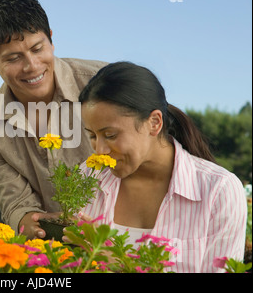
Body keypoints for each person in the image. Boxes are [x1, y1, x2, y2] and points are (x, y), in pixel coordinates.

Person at [77, 61, 247, 272]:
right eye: (92, 135)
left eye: (110, 135)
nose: (99, 150)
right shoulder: (88, 175)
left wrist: (118, 262)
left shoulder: (219, 190)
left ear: (154, 123)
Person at [0, 0, 107, 239]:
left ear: (51, 40)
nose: (32, 66)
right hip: (56, 248)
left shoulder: (104, 83)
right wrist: (32, 222)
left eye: (37, 48)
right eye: (13, 58)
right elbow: (16, 204)